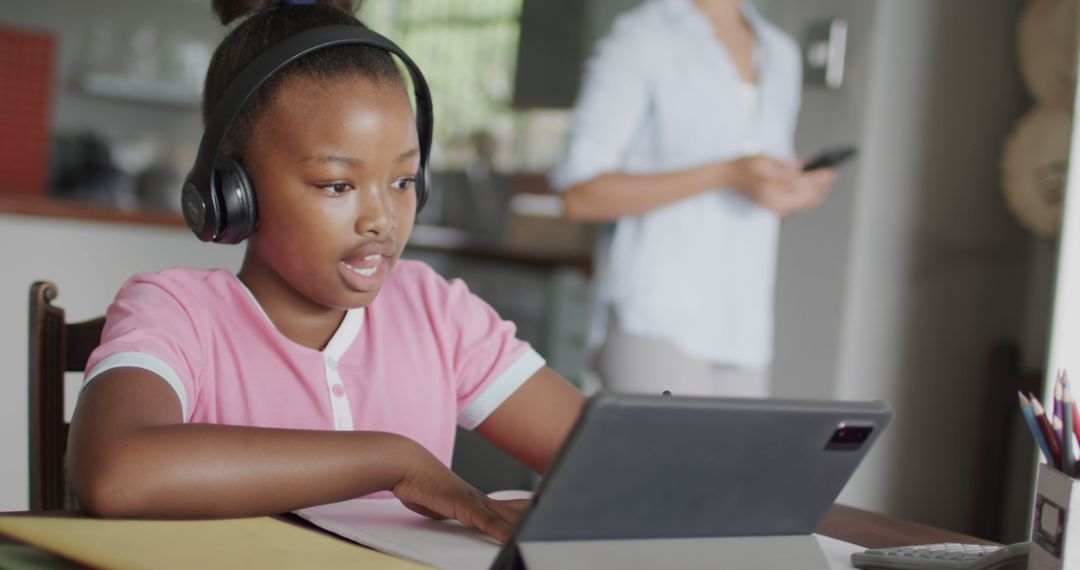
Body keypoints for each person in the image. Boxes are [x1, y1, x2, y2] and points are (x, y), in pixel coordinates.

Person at [67, 0, 585, 544]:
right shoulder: (175, 312)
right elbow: (114, 472)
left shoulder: (437, 313)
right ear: (232, 192)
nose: (382, 219)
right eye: (337, 185)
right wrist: (394, 461)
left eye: (404, 181)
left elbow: (612, 456)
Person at [551, 0, 836, 398]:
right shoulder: (644, 36)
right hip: (655, 319)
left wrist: (790, 193)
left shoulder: (780, 53)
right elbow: (580, 194)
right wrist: (726, 174)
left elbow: (755, 198)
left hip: (745, 329)